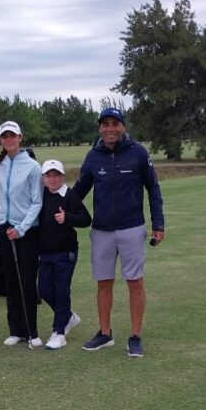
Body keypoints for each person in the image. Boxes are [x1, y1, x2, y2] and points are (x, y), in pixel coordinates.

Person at [73, 108, 165, 357]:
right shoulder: (93, 156)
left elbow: (153, 189)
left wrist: (159, 224)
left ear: (123, 127)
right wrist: (54, 205)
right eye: (106, 124)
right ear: (100, 128)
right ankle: (105, 333)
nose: (110, 128)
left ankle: (135, 336)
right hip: (102, 230)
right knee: (104, 283)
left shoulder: (138, 153)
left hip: (131, 228)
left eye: (115, 123)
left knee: (135, 282)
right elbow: (79, 191)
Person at [0, 121, 43, 348]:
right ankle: (16, 330)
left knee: (27, 280)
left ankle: (32, 331)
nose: (9, 139)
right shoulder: (0, 164)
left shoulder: (32, 166)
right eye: (5, 136)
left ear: (20, 137)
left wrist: (22, 228)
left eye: (12, 135)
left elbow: (37, 201)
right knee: (11, 281)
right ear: (1, 140)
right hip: (5, 228)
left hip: (27, 231)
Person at [36, 159, 91, 350]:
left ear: (62, 176)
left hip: (65, 252)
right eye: (48, 175)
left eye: (56, 175)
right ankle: (67, 316)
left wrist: (67, 217)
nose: (52, 179)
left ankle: (59, 332)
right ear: (43, 178)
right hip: (45, 252)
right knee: (43, 289)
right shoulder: (41, 195)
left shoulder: (69, 195)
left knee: (61, 290)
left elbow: (86, 219)